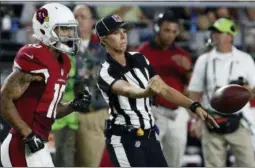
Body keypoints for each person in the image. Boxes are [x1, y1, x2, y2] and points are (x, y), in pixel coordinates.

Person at [95, 14, 219, 167]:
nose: (122, 36)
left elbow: (165, 89)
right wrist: (147, 92)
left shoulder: (140, 58)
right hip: (125, 137)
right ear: (103, 40)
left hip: (149, 135)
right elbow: (127, 90)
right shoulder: (106, 71)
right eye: (115, 33)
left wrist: (193, 106)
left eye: (124, 32)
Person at [0, 3, 91, 167]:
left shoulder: (64, 63)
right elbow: (4, 99)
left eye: (70, 29)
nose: (69, 33)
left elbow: (48, 111)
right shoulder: (35, 56)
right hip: (21, 145)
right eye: (63, 29)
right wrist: (27, 133)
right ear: (45, 29)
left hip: (38, 144)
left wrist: (73, 106)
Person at [188, 17, 255, 167]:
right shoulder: (204, 60)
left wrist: (247, 92)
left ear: (230, 35)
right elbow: (194, 93)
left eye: (219, 32)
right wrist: (195, 120)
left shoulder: (244, 58)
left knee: (249, 163)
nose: (214, 35)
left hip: (239, 120)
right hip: (211, 120)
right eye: (213, 32)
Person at [137, 11, 192, 167]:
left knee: (175, 162)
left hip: (177, 114)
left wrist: (188, 70)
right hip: (153, 111)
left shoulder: (183, 55)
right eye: (167, 30)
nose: (170, 35)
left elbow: (192, 87)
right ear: (157, 29)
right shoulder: (143, 52)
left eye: (174, 32)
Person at [72, 5, 110, 167]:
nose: (78, 20)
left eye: (83, 17)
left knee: (90, 163)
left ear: (92, 21)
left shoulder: (104, 47)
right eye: (75, 17)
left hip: (92, 113)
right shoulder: (60, 45)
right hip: (64, 115)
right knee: (63, 162)